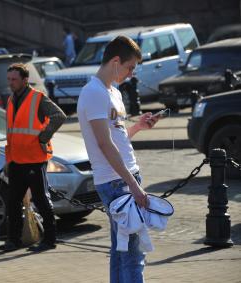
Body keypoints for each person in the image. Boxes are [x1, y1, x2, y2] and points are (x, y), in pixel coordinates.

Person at [77, 36, 161, 282]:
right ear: (115, 61)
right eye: (130, 67)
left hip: (123, 177)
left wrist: (137, 127)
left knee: (120, 250)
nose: (131, 73)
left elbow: (117, 137)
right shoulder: (93, 92)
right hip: (117, 182)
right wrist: (134, 186)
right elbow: (104, 144)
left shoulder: (112, 92)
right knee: (133, 255)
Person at [3, 63, 67, 252]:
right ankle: (13, 240)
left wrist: (43, 137)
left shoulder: (37, 98)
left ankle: (49, 240)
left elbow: (59, 116)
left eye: (14, 79)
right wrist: (8, 160)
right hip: (16, 160)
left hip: (33, 159)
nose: (11, 83)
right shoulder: (11, 99)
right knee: (13, 202)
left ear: (25, 80)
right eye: (9, 79)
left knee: (41, 200)